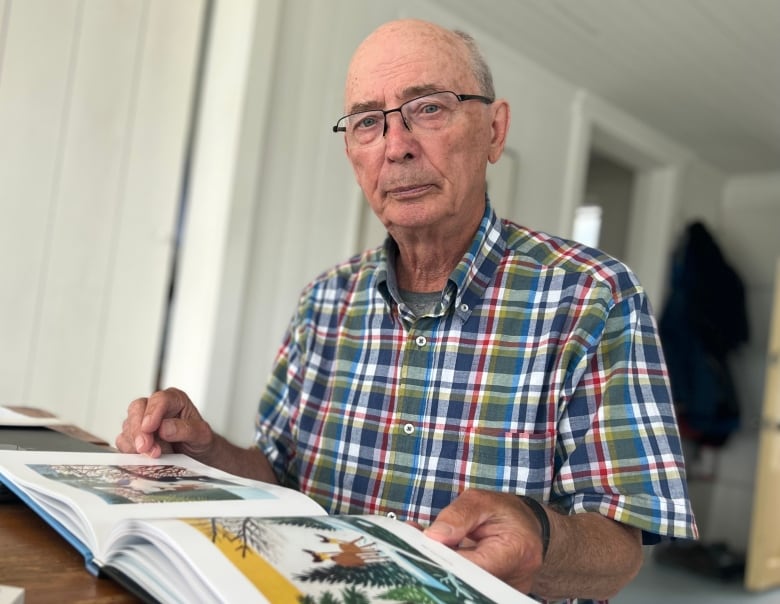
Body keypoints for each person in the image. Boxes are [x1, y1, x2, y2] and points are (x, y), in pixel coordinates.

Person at [116, 18, 697, 602]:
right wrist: (204, 451)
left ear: (495, 131)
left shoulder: (594, 295)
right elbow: (280, 480)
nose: (397, 146)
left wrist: (538, 537)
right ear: (352, 153)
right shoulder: (325, 301)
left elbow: (619, 550)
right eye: (368, 122)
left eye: (429, 108)